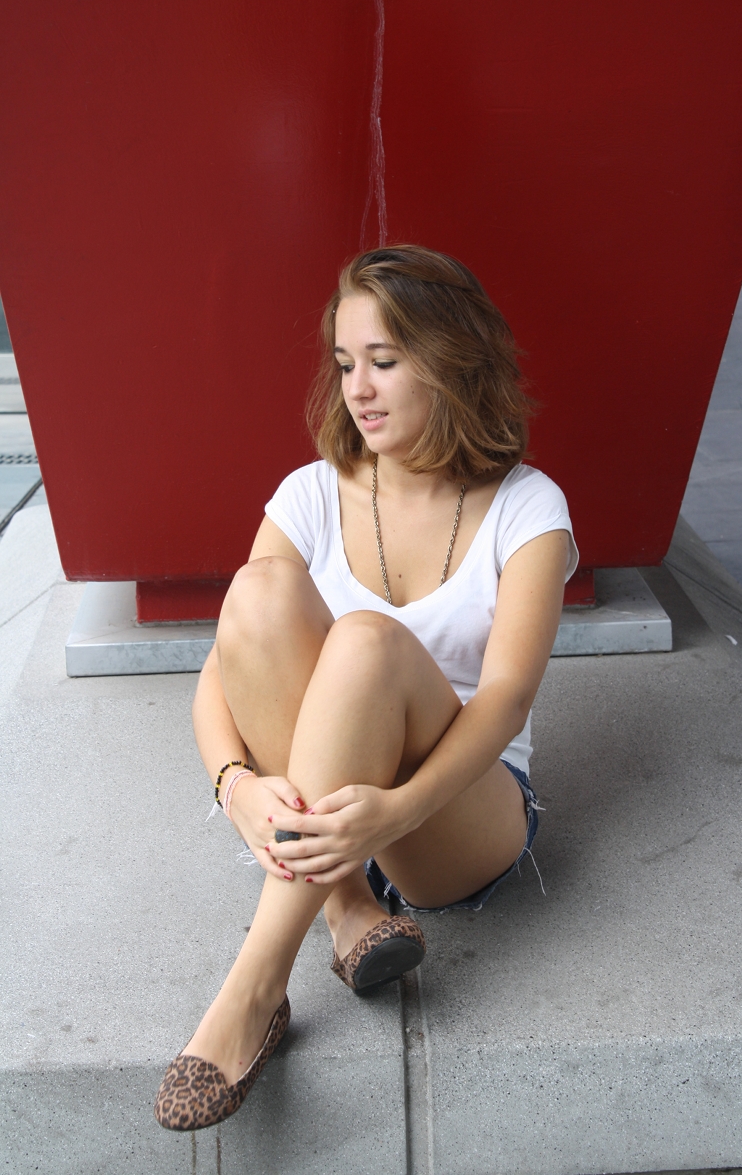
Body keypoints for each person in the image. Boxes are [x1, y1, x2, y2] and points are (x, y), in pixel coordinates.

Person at [154, 244, 578, 1131]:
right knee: (258, 592)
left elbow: (504, 698)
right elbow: (221, 671)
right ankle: (347, 908)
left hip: (459, 809)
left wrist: (397, 811)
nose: (358, 389)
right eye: (346, 363)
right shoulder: (311, 494)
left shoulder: (527, 506)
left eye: (384, 361)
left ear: (452, 360)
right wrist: (236, 788)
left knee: (366, 642)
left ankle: (254, 989)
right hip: (335, 807)